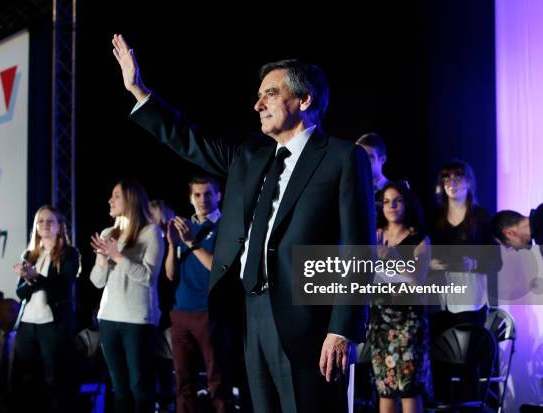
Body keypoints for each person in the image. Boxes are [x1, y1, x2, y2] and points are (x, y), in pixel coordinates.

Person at [112, 34, 375, 412]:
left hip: (311, 323)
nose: (257, 104)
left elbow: (357, 249)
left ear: (304, 99)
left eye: (269, 93)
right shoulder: (251, 155)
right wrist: (138, 90)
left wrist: (342, 328)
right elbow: (188, 138)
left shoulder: (343, 158)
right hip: (252, 314)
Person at [90, 180, 164, 413]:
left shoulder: (151, 232)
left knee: (139, 386)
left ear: (131, 200)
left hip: (137, 321)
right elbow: (96, 281)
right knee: (118, 387)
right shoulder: (107, 233)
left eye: (116, 196)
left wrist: (118, 256)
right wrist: (103, 259)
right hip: (108, 319)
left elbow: (148, 277)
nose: (110, 200)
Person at [164, 176, 229, 413]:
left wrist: (192, 242)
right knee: (183, 383)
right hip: (181, 312)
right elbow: (171, 275)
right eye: (198, 195)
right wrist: (172, 245)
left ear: (218, 195)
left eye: (208, 194)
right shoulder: (185, 228)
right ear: (190, 198)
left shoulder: (226, 226)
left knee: (217, 381)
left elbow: (217, 268)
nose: (203, 200)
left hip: (209, 313)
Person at [369, 181, 430, 413]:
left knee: (408, 387)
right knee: (385, 386)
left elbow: (417, 281)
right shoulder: (374, 234)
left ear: (407, 203)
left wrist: (393, 258)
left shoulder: (419, 238)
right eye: (386, 201)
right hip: (380, 319)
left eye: (397, 200)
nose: (391, 206)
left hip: (409, 320)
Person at [12, 205, 80, 412]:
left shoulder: (69, 253)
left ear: (60, 226)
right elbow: (20, 293)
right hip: (27, 324)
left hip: (53, 324)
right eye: (40, 221)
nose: (45, 225)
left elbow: (62, 286)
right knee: (27, 378)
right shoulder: (29, 254)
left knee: (54, 380)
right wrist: (28, 279)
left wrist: (35, 278)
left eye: (50, 221)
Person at [428, 159, 502, 337]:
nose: (451, 183)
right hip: (440, 299)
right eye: (446, 178)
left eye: (458, 177)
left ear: (469, 182)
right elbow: (421, 254)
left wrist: (475, 264)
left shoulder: (481, 216)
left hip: (471, 299)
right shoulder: (434, 217)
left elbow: (495, 261)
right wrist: (429, 263)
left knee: (466, 356)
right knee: (441, 356)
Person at [149, 199, 177, 413]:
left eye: (150, 214)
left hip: (168, 314)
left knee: (166, 367)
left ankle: (167, 404)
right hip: (150, 314)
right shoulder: (146, 242)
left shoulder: (170, 243)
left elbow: (169, 279)